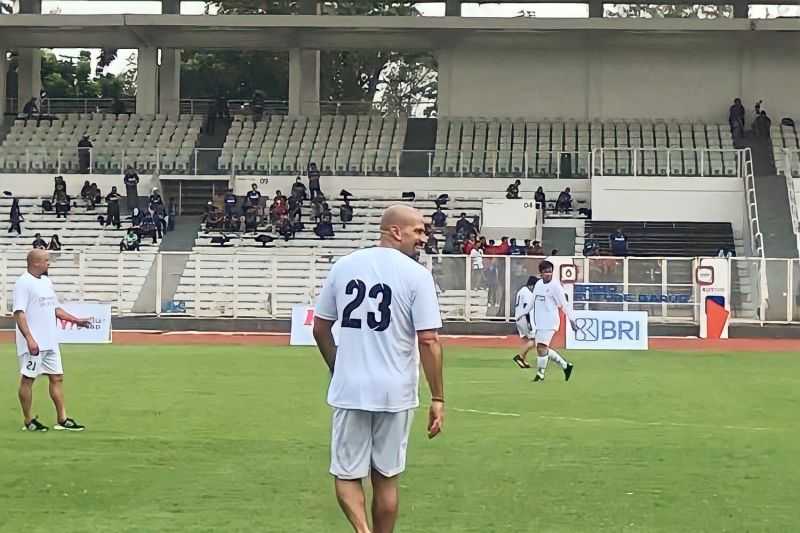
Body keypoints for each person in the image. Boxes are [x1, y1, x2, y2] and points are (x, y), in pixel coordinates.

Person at [312, 204, 444, 533]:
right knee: (386, 480)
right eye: (419, 231)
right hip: (396, 392)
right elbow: (428, 340)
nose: (424, 238)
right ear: (395, 231)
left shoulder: (344, 267)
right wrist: (438, 397)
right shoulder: (417, 276)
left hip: (351, 387)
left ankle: (362, 530)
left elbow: (320, 328)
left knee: (346, 475)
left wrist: (337, 366)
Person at [13, 249, 91, 432]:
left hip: (50, 341)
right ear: (35, 263)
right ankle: (28, 420)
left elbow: (55, 309)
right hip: (34, 343)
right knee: (28, 379)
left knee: (57, 377)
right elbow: (19, 313)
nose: (49, 264)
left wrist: (76, 320)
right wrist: (30, 339)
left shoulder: (46, 282)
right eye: (46, 260)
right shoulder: (23, 283)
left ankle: (62, 418)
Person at [531, 260, 577, 383]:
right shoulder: (538, 284)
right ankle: (565, 366)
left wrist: (572, 319)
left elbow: (564, 304)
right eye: (546, 272)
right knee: (541, 348)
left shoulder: (556, 286)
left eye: (550, 271)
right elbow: (533, 301)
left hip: (550, 321)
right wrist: (525, 313)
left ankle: (540, 374)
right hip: (539, 321)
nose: (548, 274)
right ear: (540, 273)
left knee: (541, 347)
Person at [512, 276, 538, 369]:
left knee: (527, 340)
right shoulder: (527, 293)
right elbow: (527, 310)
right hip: (524, 318)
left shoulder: (521, 291)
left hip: (519, 318)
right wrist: (530, 324)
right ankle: (519, 356)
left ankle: (523, 360)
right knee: (535, 340)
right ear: (531, 285)